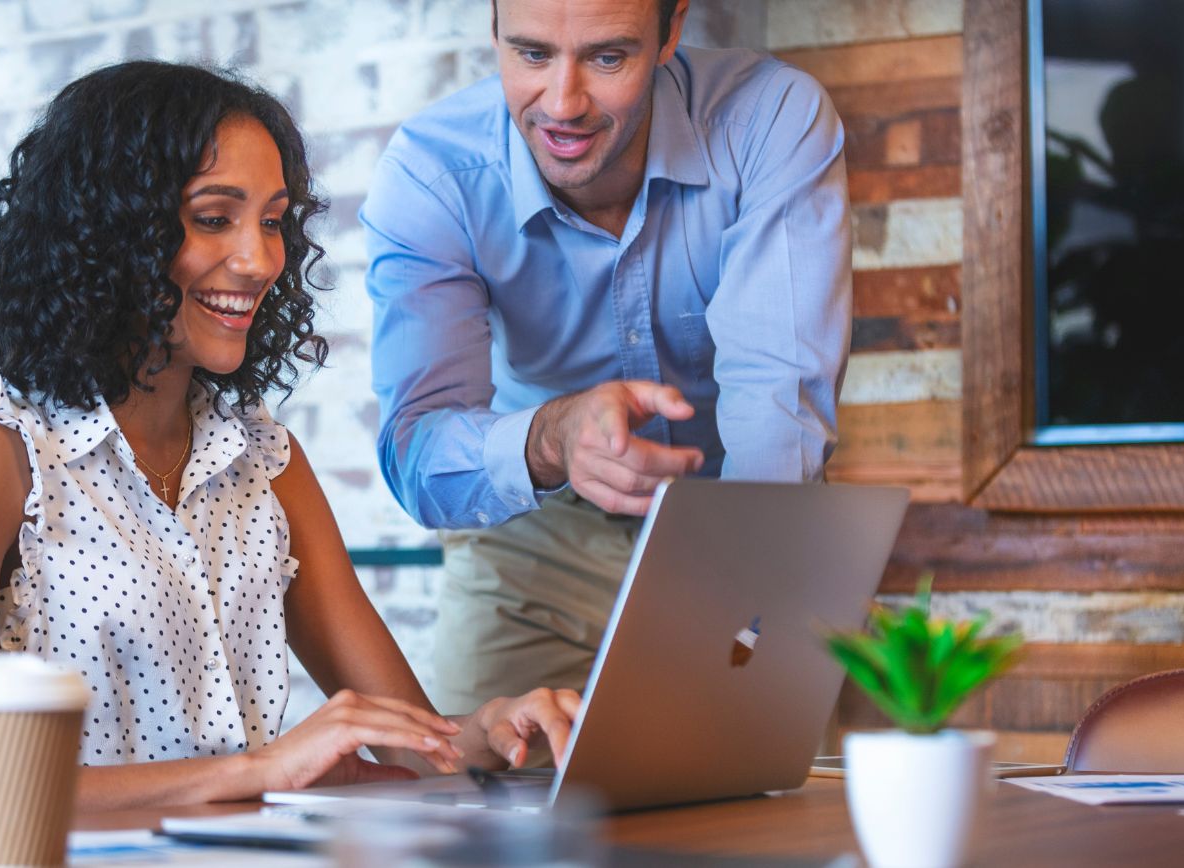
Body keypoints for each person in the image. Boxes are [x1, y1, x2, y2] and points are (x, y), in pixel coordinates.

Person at [0, 61, 577, 830]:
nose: (259, 260)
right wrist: (258, 772)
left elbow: (415, 744)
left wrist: (488, 733)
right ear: (112, 233)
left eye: (273, 221)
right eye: (215, 218)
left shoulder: (262, 460)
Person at [362, 0, 852, 713]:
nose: (563, 105)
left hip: (741, 516)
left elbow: (778, 410)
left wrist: (747, 627)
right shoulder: (434, 175)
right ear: (493, 29)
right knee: (490, 806)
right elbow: (419, 457)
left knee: (771, 805)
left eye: (607, 57)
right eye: (531, 54)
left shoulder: (769, 120)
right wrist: (553, 437)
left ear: (671, 31)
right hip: (534, 542)